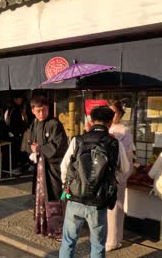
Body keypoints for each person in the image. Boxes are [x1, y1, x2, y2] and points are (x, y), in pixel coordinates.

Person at [59, 106, 130, 258]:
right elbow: (125, 169)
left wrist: (67, 187)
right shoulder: (115, 143)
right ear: (110, 122)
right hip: (99, 201)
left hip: (75, 197)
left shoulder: (77, 140)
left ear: (91, 122)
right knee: (97, 244)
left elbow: (64, 167)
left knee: (68, 241)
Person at [25, 94, 68, 239]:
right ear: (32, 111)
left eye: (44, 110)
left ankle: (58, 230)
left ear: (48, 108)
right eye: (38, 111)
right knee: (41, 196)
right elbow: (29, 140)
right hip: (41, 166)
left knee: (55, 195)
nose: (41, 113)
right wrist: (32, 148)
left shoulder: (55, 124)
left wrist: (40, 149)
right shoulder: (34, 123)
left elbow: (59, 145)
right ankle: (43, 225)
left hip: (53, 167)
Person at [104, 100, 136, 251]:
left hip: (117, 173)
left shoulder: (124, 130)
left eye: (114, 112)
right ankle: (107, 237)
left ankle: (114, 239)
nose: (111, 115)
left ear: (120, 113)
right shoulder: (103, 128)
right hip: (103, 173)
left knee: (116, 207)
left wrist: (122, 176)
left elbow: (128, 155)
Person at [5, 93, 30, 172]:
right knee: (18, 150)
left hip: (15, 133)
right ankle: (17, 166)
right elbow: (13, 123)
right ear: (15, 99)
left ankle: (19, 165)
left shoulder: (15, 109)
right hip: (16, 133)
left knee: (18, 150)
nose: (20, 100)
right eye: (19, 99)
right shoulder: (14, 110)